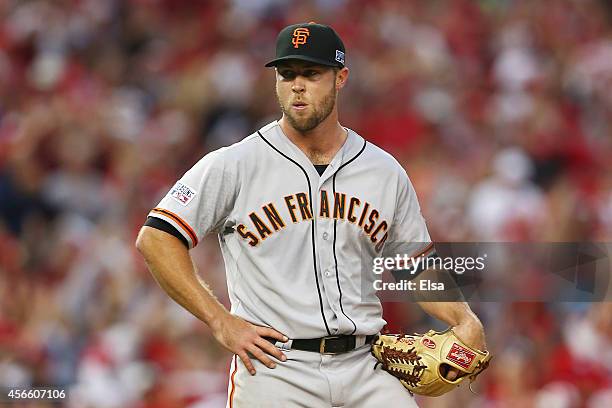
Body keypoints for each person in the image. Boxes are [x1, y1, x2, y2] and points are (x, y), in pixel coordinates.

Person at [136, 22, 486, 407]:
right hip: (275, 369)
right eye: (287, 74)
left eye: (312, 73)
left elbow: (415, 267)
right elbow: (156, 237)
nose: (297, 85)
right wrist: (221, 321)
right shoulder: (235, 163)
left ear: (341, 78)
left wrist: (464, 319)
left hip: (365, 365)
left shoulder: (383, 171)